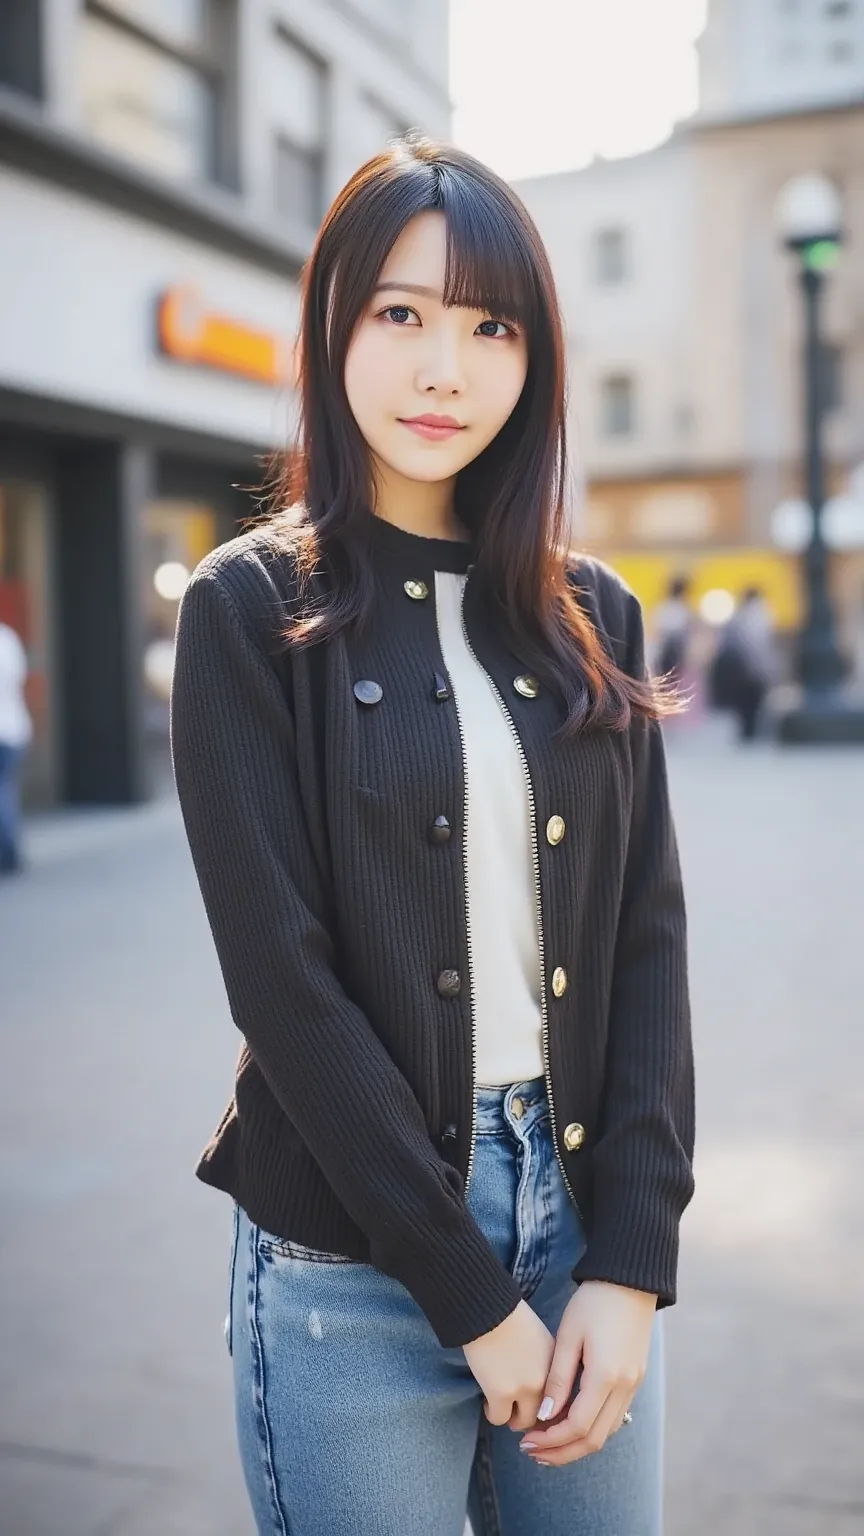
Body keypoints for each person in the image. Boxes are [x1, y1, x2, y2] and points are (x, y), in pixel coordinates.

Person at [170, 137, 695, 1536]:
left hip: (577, 1226)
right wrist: (466, 1293)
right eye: (399, 314)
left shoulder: (593, 611)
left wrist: (633, 1259)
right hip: (348, 1258)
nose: (442, 370)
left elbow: (646, 940)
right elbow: (282, 984)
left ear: (534, 360)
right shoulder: (246, 608)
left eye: (489, 325)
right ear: (333, 325)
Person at [709, 586, 776, 742]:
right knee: (754, 703)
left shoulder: (739, 616)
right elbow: (761, 645)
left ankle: (747, 732)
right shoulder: (760, 616)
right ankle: (751, 732)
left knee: (745, 705)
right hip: (755, 667)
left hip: (740, 669)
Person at [0, 618, 32, 875]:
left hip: (8, 730)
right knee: (6, 791)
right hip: (12, 730)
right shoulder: (8, 638)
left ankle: (8, 853)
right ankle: (9, 852)